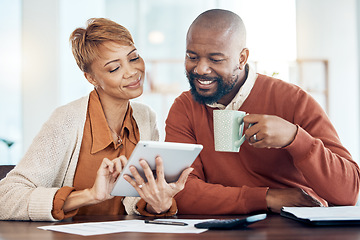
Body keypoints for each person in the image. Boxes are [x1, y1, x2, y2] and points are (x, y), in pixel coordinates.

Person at [165, 9, 360, 214]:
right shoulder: (184, 107)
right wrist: (267, 197)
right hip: (222, 227)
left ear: (242, 58)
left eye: (215, 59)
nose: (201, 69)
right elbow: (180, 192)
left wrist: (295, 138)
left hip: (295, 227)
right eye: (192, 56)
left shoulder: (293, 100)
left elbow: (348, 192)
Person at [0, 18, 192, 221]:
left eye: (134, 58)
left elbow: (133, 200)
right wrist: (89, 195)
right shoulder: (66, 120)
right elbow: (5, 198)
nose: (132, 72)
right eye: (114, 68)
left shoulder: (145, 117)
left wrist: (157, 204)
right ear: (91, 78)